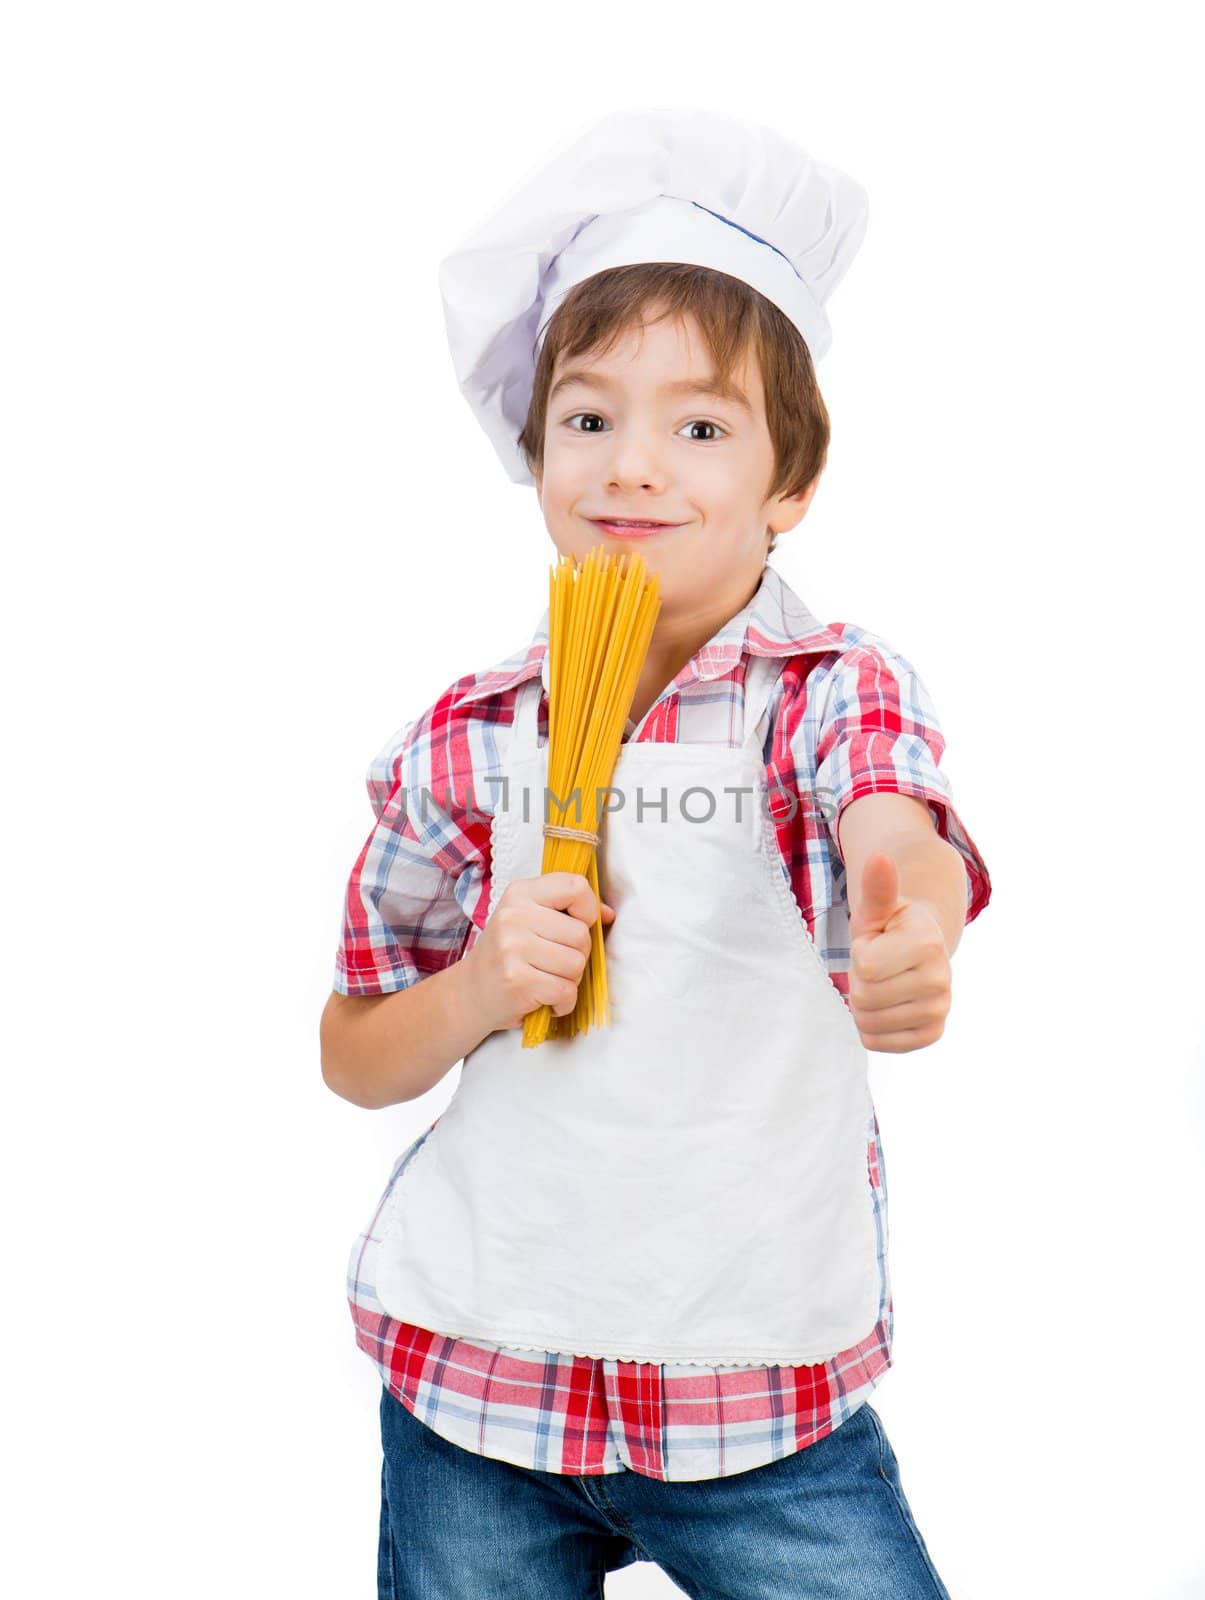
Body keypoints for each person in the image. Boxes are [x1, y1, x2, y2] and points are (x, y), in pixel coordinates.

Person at [321, 108, 992, 1599]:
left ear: (788, 484)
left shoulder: (827, 690)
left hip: (756, 1408)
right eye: (588, 417)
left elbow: (891, 813)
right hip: (476, 1384)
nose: (633, 467)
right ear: (535, 444)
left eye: (699, 426)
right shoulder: (467, 734)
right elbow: (355, 1051)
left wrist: (911, 924)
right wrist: (481, 988)